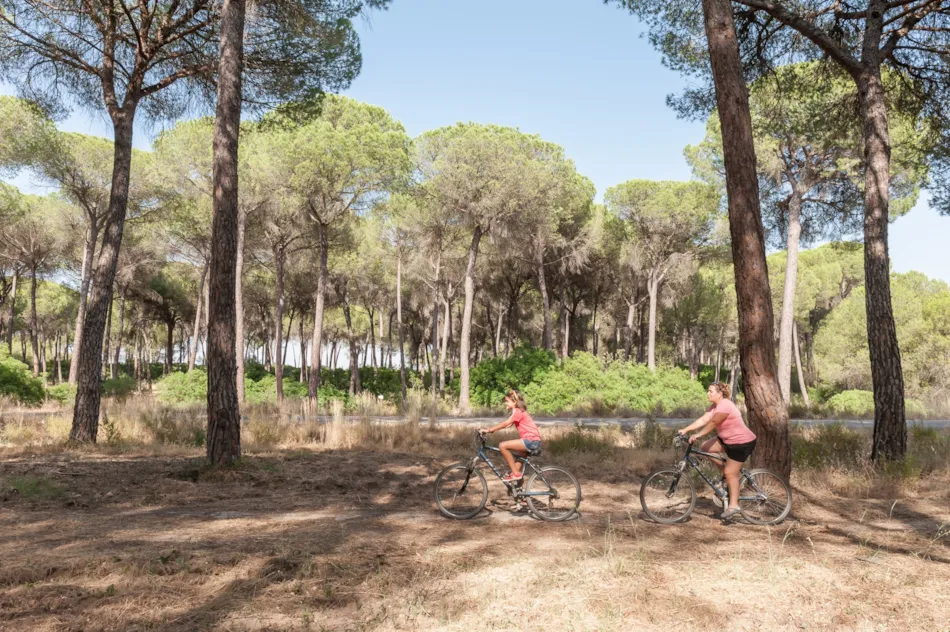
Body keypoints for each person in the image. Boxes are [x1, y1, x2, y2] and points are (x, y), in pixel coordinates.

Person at [677, 381, 756, 520]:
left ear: (720, 394)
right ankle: (726, 476)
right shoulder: (714, 406)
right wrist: (686, 430)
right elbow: (703, 419)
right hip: (727, 440)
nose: (708, 393)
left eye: (710, 391)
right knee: (706, 447)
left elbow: (714, 423)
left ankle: (733, 505)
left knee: (731, 472)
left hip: (741, 443)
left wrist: (698, 435)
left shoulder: (725, 404)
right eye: (708, 391)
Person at [480, 389, 542, 482]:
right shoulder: (517, 411)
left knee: (502, 446)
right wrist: (492, 430)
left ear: (515, 401)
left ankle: (516, 474)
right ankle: (519, 489)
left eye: (507, 401)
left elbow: (506, 423)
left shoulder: (517, 411)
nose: (505, 403)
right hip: (532, 440)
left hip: (530, 440)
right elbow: (508, 425)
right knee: (517, 465)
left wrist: (489, 430)